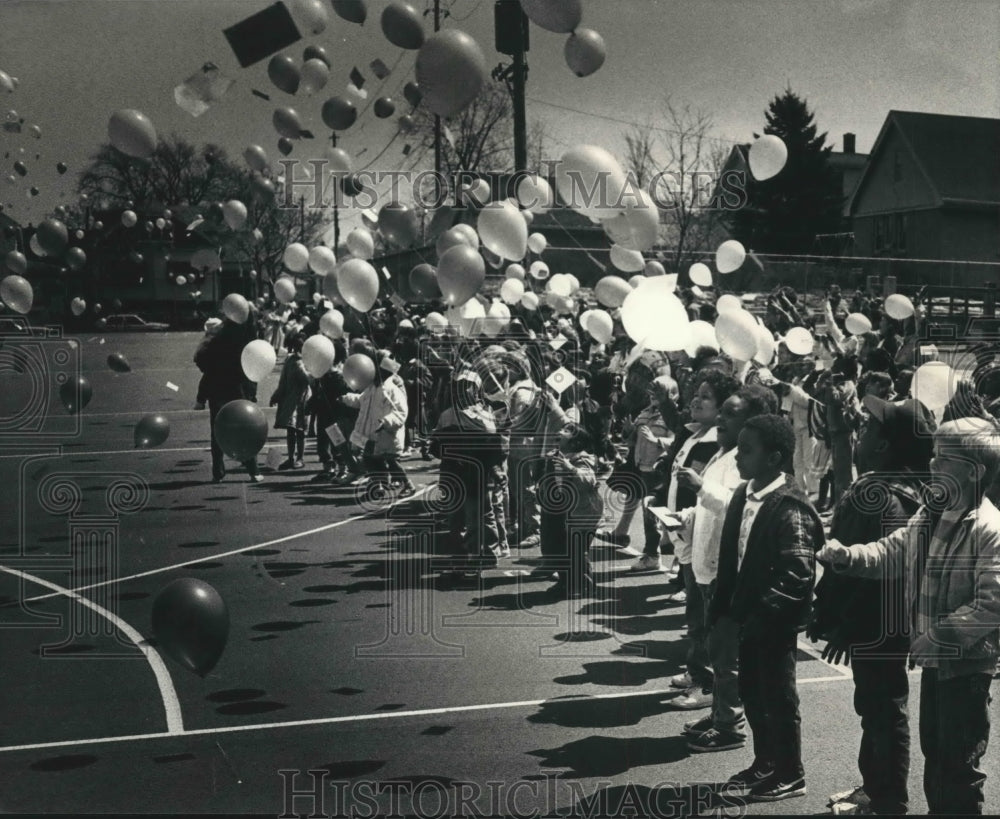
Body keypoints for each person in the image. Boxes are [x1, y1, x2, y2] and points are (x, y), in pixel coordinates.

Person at [818, 417, 1000, 815]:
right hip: (937, 664)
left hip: (966, 668)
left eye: (943, 459)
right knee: (936, 754)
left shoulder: (989, 528)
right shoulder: (930, 515)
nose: (932, 465)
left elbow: (992, 603)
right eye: (932, 455)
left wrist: (939, 635)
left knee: (959, 764)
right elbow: (890, 552)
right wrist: (849, 556)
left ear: (974, 472)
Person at [809, 396, 933, 814]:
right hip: (878, 623)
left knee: (883, 710)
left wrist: (847, 626)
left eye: (870, 429)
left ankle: (888, 800)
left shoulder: (885, 497)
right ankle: (874, 787)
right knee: (875, 707)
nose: (861, 434)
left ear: (883, 446)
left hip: (877, 624)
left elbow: (882, 574)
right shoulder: (892, 486)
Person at [710, 414, 824, 803]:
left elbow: (798, 572)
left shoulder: (790, 506)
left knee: (778, 698)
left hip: (772, 623)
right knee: (753, 694)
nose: (738, 457)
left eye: (746, 450)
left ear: (774, 458)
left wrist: (764, 614)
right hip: (749, 619)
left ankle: (790, 772)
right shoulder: (746, 493)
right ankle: (765, 762)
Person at [680, 384, 779, 750]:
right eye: (722, 411)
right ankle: (721, 711)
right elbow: (713, 509)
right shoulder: (724, 454)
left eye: (732, 413)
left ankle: (729, 727)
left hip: (728, 572)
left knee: (726, 654)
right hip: (709, 567)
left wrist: (701, 487)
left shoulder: (747, 459)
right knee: (715, 649)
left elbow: (739, 506)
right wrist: (686, 517)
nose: (720, 417)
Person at [536, 421, 604, 599]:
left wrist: (571, 468)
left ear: (576, 442)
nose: (560, 431)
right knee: (559, 548)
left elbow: (588, 479)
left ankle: (583, 586)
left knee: (576, 551)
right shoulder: (555, 456)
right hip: (562, 512)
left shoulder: (583, 458)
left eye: (567, 431)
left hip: (583, 513)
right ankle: (565, 582)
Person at [193, 315, 263, 483]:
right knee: (245, 432)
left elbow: (206, 375)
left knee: (217, 434)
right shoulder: (236, 344)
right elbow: (248, 373)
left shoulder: (209, 349)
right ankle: (253, 470)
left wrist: (201, 399)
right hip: (237, 394)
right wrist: (252, 394)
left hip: (218, 396)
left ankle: (218, 473)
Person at [269, 331, 311, 470]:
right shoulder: (290, 361)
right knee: (291, 429)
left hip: (301, 399)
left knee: (300, 430)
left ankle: (300, 458)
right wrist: (276, 395)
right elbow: (283, 381)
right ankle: (291, 457)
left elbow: (308, 380)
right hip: (289, 399)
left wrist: (303, 369)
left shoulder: (305, 362)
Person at [193, 317, 223, 410]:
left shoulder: (211, 339)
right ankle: (200, 401)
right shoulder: (210, 340)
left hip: (210, 364)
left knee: (208, 380)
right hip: (211, 365)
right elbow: (200, 355)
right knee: (208, 380)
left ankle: (201, 401)